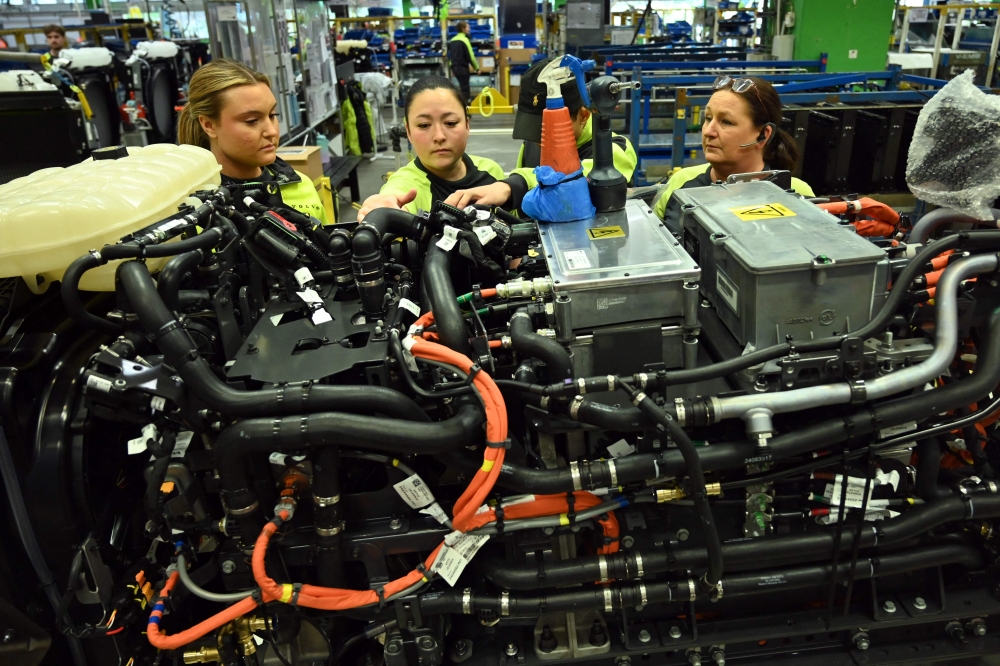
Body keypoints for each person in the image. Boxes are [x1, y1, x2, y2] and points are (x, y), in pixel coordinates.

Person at [441, 55, 637, 210]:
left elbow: (573, 182)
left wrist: (511, 186)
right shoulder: (531, 145)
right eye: (534, 128)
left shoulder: (615, 150)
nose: (540, 141)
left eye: (551, 128)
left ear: (584, 115)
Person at [653, 75, 813, 231]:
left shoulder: (796, 194)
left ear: (764, 135)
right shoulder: (680, 182)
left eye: (726, 122)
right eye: (708, 118)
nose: (709, 131)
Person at [177, 58, 328, 224]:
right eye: (251, 121)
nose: (271, 131)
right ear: (209, 125)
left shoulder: (300, 185)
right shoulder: (189, 208)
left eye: (272, 115)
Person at [357, 76, 505, 221]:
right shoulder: (407, 186)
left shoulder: (491, 171)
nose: (439, 136)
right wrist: (383, 209)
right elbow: (393, 196)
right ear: (408, 132)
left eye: (450, 122)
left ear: (467, 125)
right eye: (424, 125)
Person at [447, 22, 478, 105]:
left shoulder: (452, 40)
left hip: (455, 68)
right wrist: (476, 68)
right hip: (463, 68)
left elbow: (450, 55)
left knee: (461, 87)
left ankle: (461, 106)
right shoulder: (465, 40)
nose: (469, 29)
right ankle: (466, 109)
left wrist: (451, 66)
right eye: (468, 27)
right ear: (463, 29)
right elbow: (471, 56)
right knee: (465, 89)